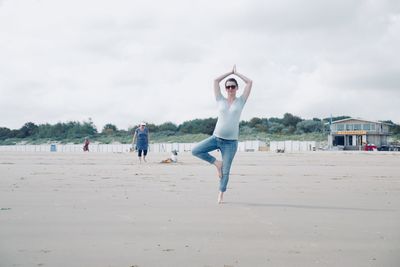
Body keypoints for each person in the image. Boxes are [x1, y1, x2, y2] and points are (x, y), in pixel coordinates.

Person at [192, 65, 252, 203]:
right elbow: (215, 81)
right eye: (228, 87)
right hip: (216, 138)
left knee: (226, 171)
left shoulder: (241, 101)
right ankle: (216, 163)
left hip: (231, 143)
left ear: (237, 88)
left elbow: (249, 83)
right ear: (225, 89)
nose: (230, 89)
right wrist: (229, 73)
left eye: (233, 86)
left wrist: (237, 73)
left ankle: (221, 193)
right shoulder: (220, 99)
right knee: (196, 150)